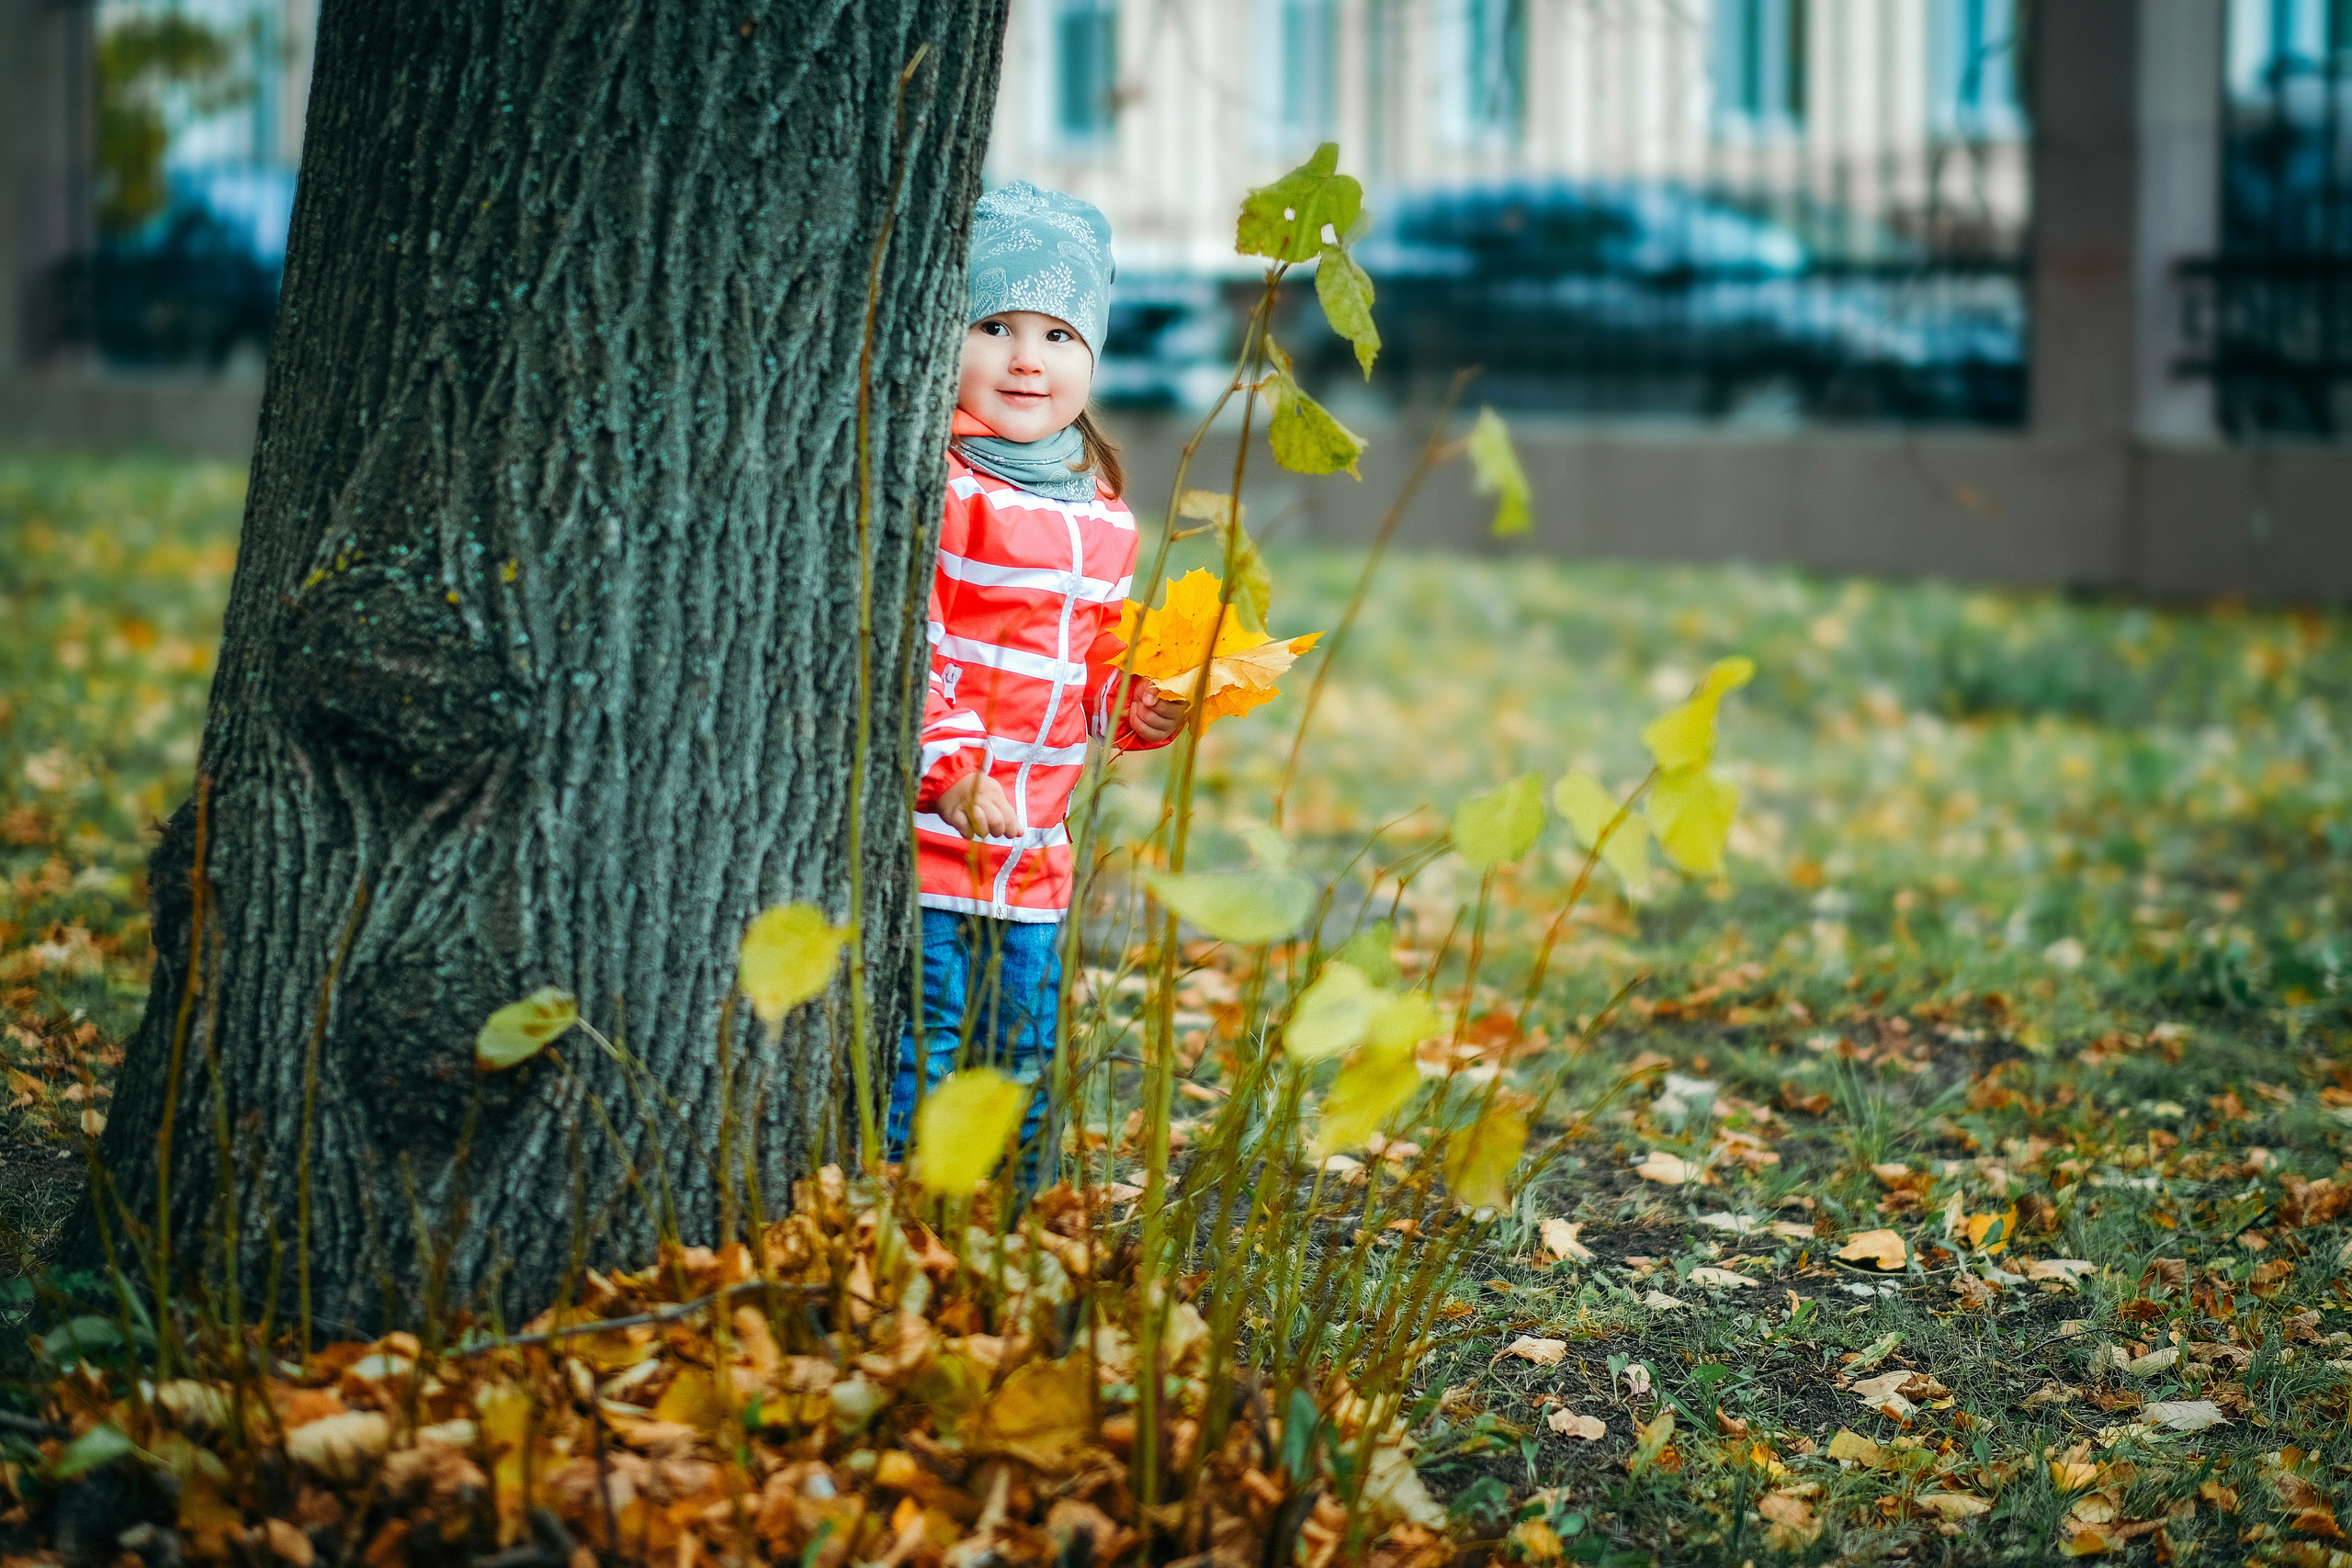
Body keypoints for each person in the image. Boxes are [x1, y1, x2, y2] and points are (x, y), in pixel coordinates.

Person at [888, 182, 1187, 1183]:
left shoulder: (1105, 517)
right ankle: (902, 1225)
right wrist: (952, 766)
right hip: (928, 842)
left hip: (1034, 863)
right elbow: (903, 643)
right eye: (994, 324)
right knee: (923, 1046)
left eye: (1060, 334)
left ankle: (1010, 1234)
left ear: (1092, 358)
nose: (1028, 356)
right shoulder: (939, 486)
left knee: (1018, 1057)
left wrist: (1136, 705)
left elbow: (1089, 671)